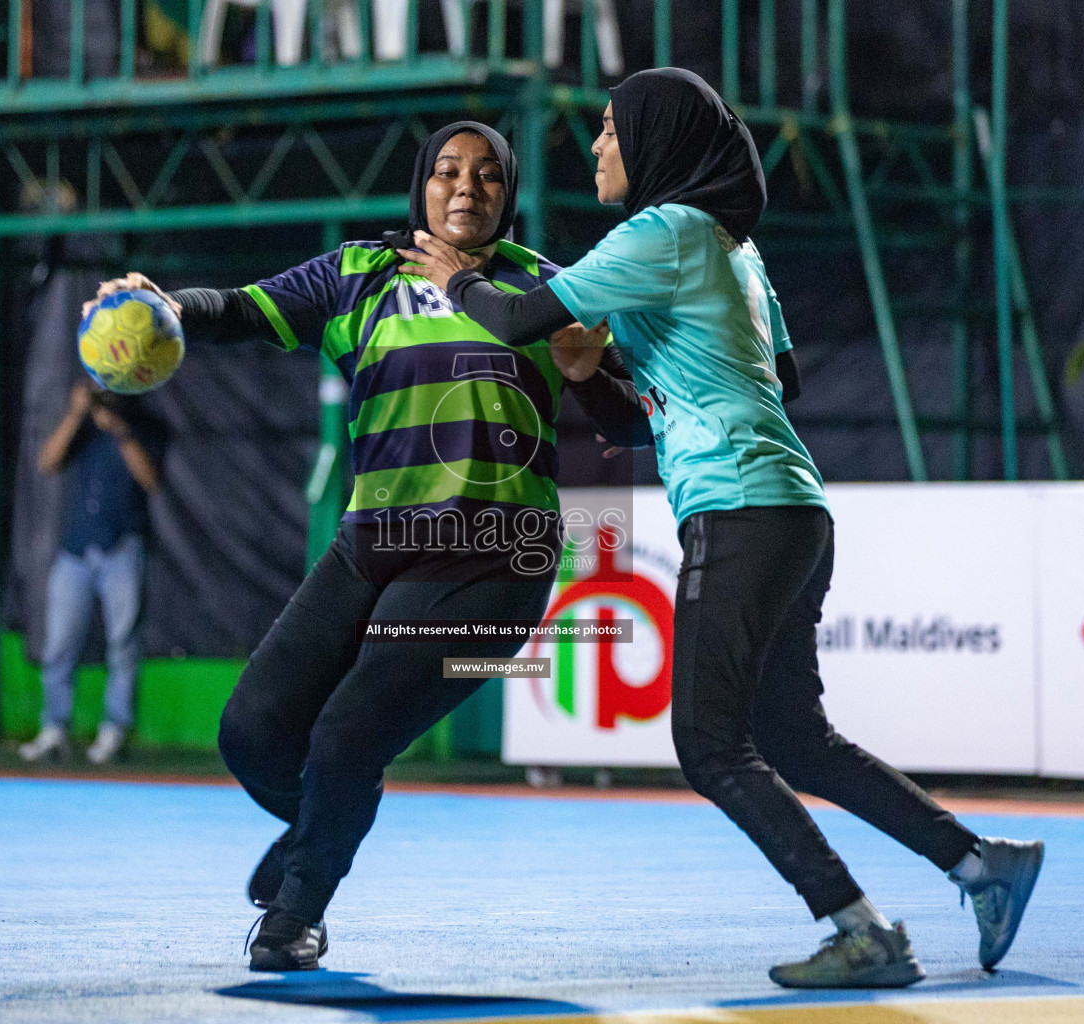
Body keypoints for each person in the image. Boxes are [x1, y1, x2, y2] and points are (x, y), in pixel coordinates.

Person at [402, 68, 1044, 990]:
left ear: (658, 143)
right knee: (793, 737)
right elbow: (740, 391)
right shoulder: (737, 251)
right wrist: (591, 374)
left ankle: (861, 929)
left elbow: (516, 317)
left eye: (613, 130)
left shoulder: (657, 233)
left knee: (708, 745)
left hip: (740, 508)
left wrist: (459, 278)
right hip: (791, 509)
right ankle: (983, 865)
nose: (596, 146)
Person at [89, 121, 648, 971]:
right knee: (251, 733)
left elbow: (620, 421)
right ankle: (325, 823)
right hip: (373, 544)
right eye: (449, 173)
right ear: (421, 185)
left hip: (498, 558)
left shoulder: (545, 289)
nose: (467, 189)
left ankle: (296, 915)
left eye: (489, 177)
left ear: (510, 195)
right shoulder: (360, 274)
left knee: (349, 735)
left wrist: (585, 371)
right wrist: (168, 309)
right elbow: (240, 310)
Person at [18, 380, 163, 765]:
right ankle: (54, 729)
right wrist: (75, 414)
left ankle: (115, 730)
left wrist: (120, 431)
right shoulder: (82, 428)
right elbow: (47, 463)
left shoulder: (146, 426)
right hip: (76, 550)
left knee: (123, 643)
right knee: (59, 642)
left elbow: (151, 480)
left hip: (123, 548)